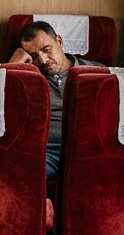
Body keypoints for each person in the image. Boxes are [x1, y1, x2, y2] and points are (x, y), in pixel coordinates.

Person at [9, 20, 105, 179]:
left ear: (59, 42)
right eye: (34, 56)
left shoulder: (98, 73)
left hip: (86, 149)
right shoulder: (27, 79)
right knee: (16, 172)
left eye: (46, 50)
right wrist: (12, 67)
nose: (43, 60)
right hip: (44, 152)